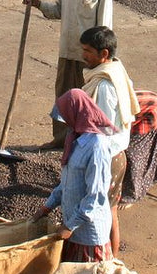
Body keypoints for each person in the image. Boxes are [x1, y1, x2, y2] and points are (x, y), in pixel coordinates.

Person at [23, 0, 113, 147]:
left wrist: (101, 59)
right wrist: (37, 3)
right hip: (67, 51)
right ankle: (61, 140)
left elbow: (105, 28)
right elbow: (58, 10)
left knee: (87, 100)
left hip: (89, 56)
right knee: (63, 97)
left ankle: (84, 141)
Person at [33, 89, 115, 262]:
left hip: (89, 234)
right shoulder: (75, 140)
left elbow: (95, 195)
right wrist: (46, 207)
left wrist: (70, 225)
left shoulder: (96, 146)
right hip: (72, 226)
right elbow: (67, 183)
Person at [78, 25, 137, 253]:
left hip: (107, 157)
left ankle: (108, 261)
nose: (83, 55)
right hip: (117, 155)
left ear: (103, 54)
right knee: (109, 209)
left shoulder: (103, 85)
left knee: (104, 213)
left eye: (88, 51)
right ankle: (111, 260)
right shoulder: (117, 70)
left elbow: (100, 130)